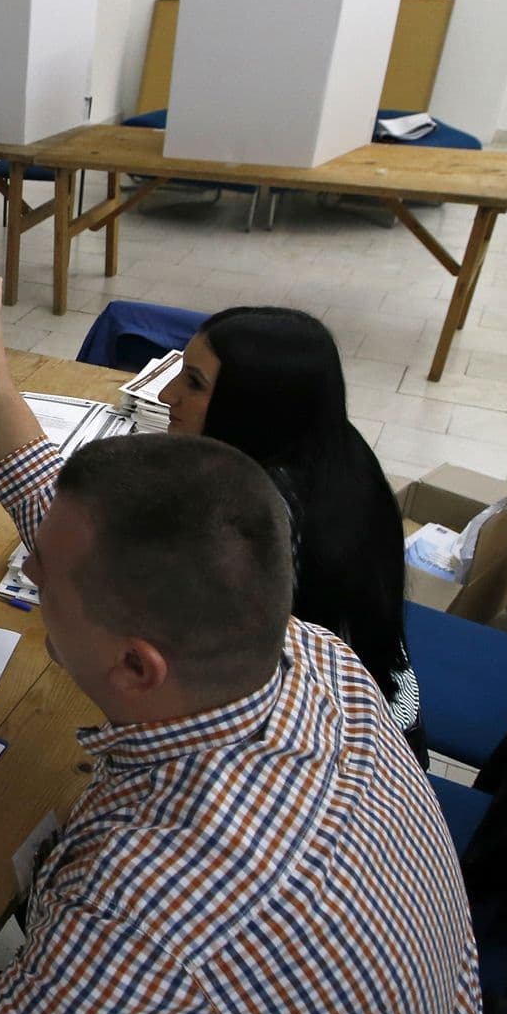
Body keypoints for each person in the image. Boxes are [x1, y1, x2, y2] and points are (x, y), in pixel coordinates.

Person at [0, 277, 481, 1014]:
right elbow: (61, 513)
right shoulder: (322, 656)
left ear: (135, 666)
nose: (30, 572)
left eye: (39, 576)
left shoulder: (143, 915)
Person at [160, 306, 425, 760]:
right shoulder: (336, 449)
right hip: (380, 697)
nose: (168, 395)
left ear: (251, 405)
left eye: (194, 383)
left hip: (337, 751)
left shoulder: (254, 517)